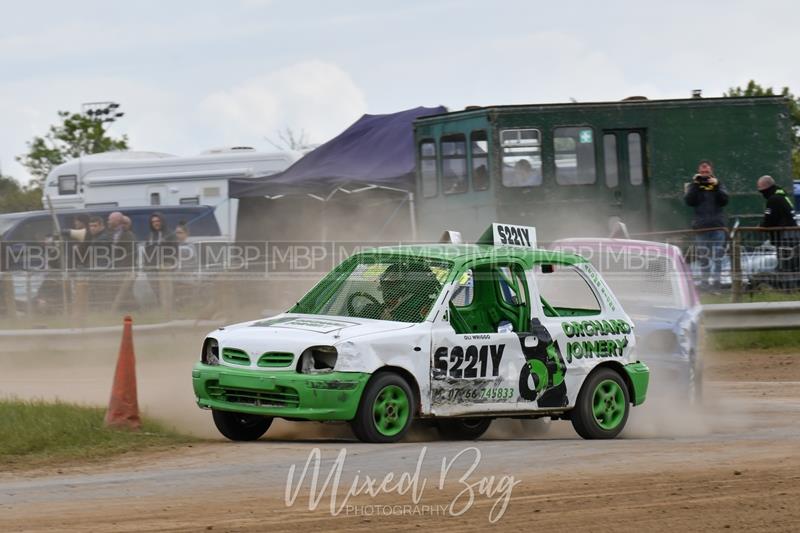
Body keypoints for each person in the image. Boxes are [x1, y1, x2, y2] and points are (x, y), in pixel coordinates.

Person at [684, 160, 729, 290]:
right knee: (703, 257)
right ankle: (704, 283)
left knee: (717, 257)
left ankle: (716, 283)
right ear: (699, 172)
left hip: (717, 226)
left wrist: (717, 184)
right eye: (702, 172)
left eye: (707, 172)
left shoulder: (718, 184)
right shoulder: (695, 185)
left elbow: (725, 200)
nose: (704, 175)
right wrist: (694, 184)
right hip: (701, 227)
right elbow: (688, 201)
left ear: (711, 171)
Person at [757, 175, 799, 288]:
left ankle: (788, 289)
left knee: (786, 265)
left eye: (761, 190)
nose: (761, 193)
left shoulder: (774, 199)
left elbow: (769, 220)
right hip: (792, 236)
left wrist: (761, 226)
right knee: (791, 264)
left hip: (786, 238)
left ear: (766, 188)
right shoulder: (782, 196)